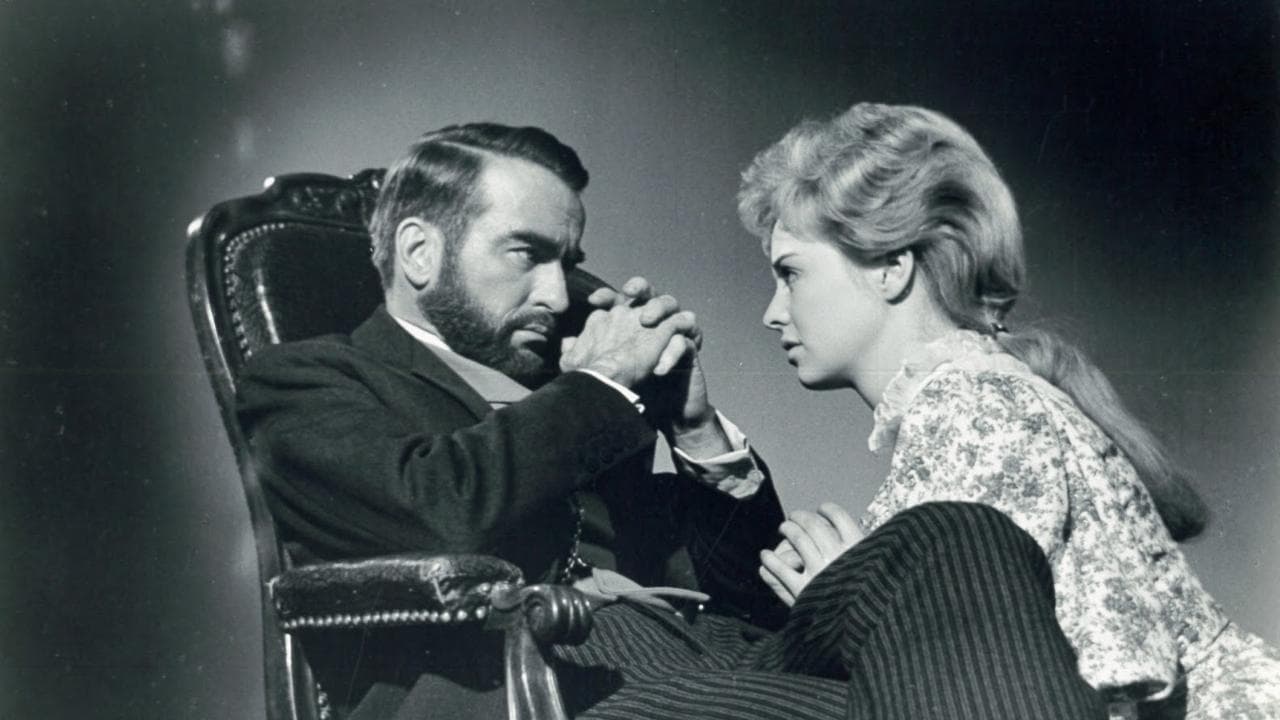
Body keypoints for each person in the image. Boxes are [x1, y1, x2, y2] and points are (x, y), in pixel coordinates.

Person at [238, 121, 1105, 719]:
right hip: (542, 678)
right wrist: (599, 387)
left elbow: (747, 598)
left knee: (957, 533)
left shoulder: (570, 394)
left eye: (568, 261)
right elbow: (441, 509)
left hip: (704, 662)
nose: (558, 294)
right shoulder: (307, 382)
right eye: (526, 254)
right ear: (421, 252)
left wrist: (694, 432)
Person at [740, 102, 1280, 720]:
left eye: (791, 274)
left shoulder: (970, 409)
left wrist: (844, 601)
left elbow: (989, 675)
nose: (773, 312)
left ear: (891, 269)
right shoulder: (983, 396)